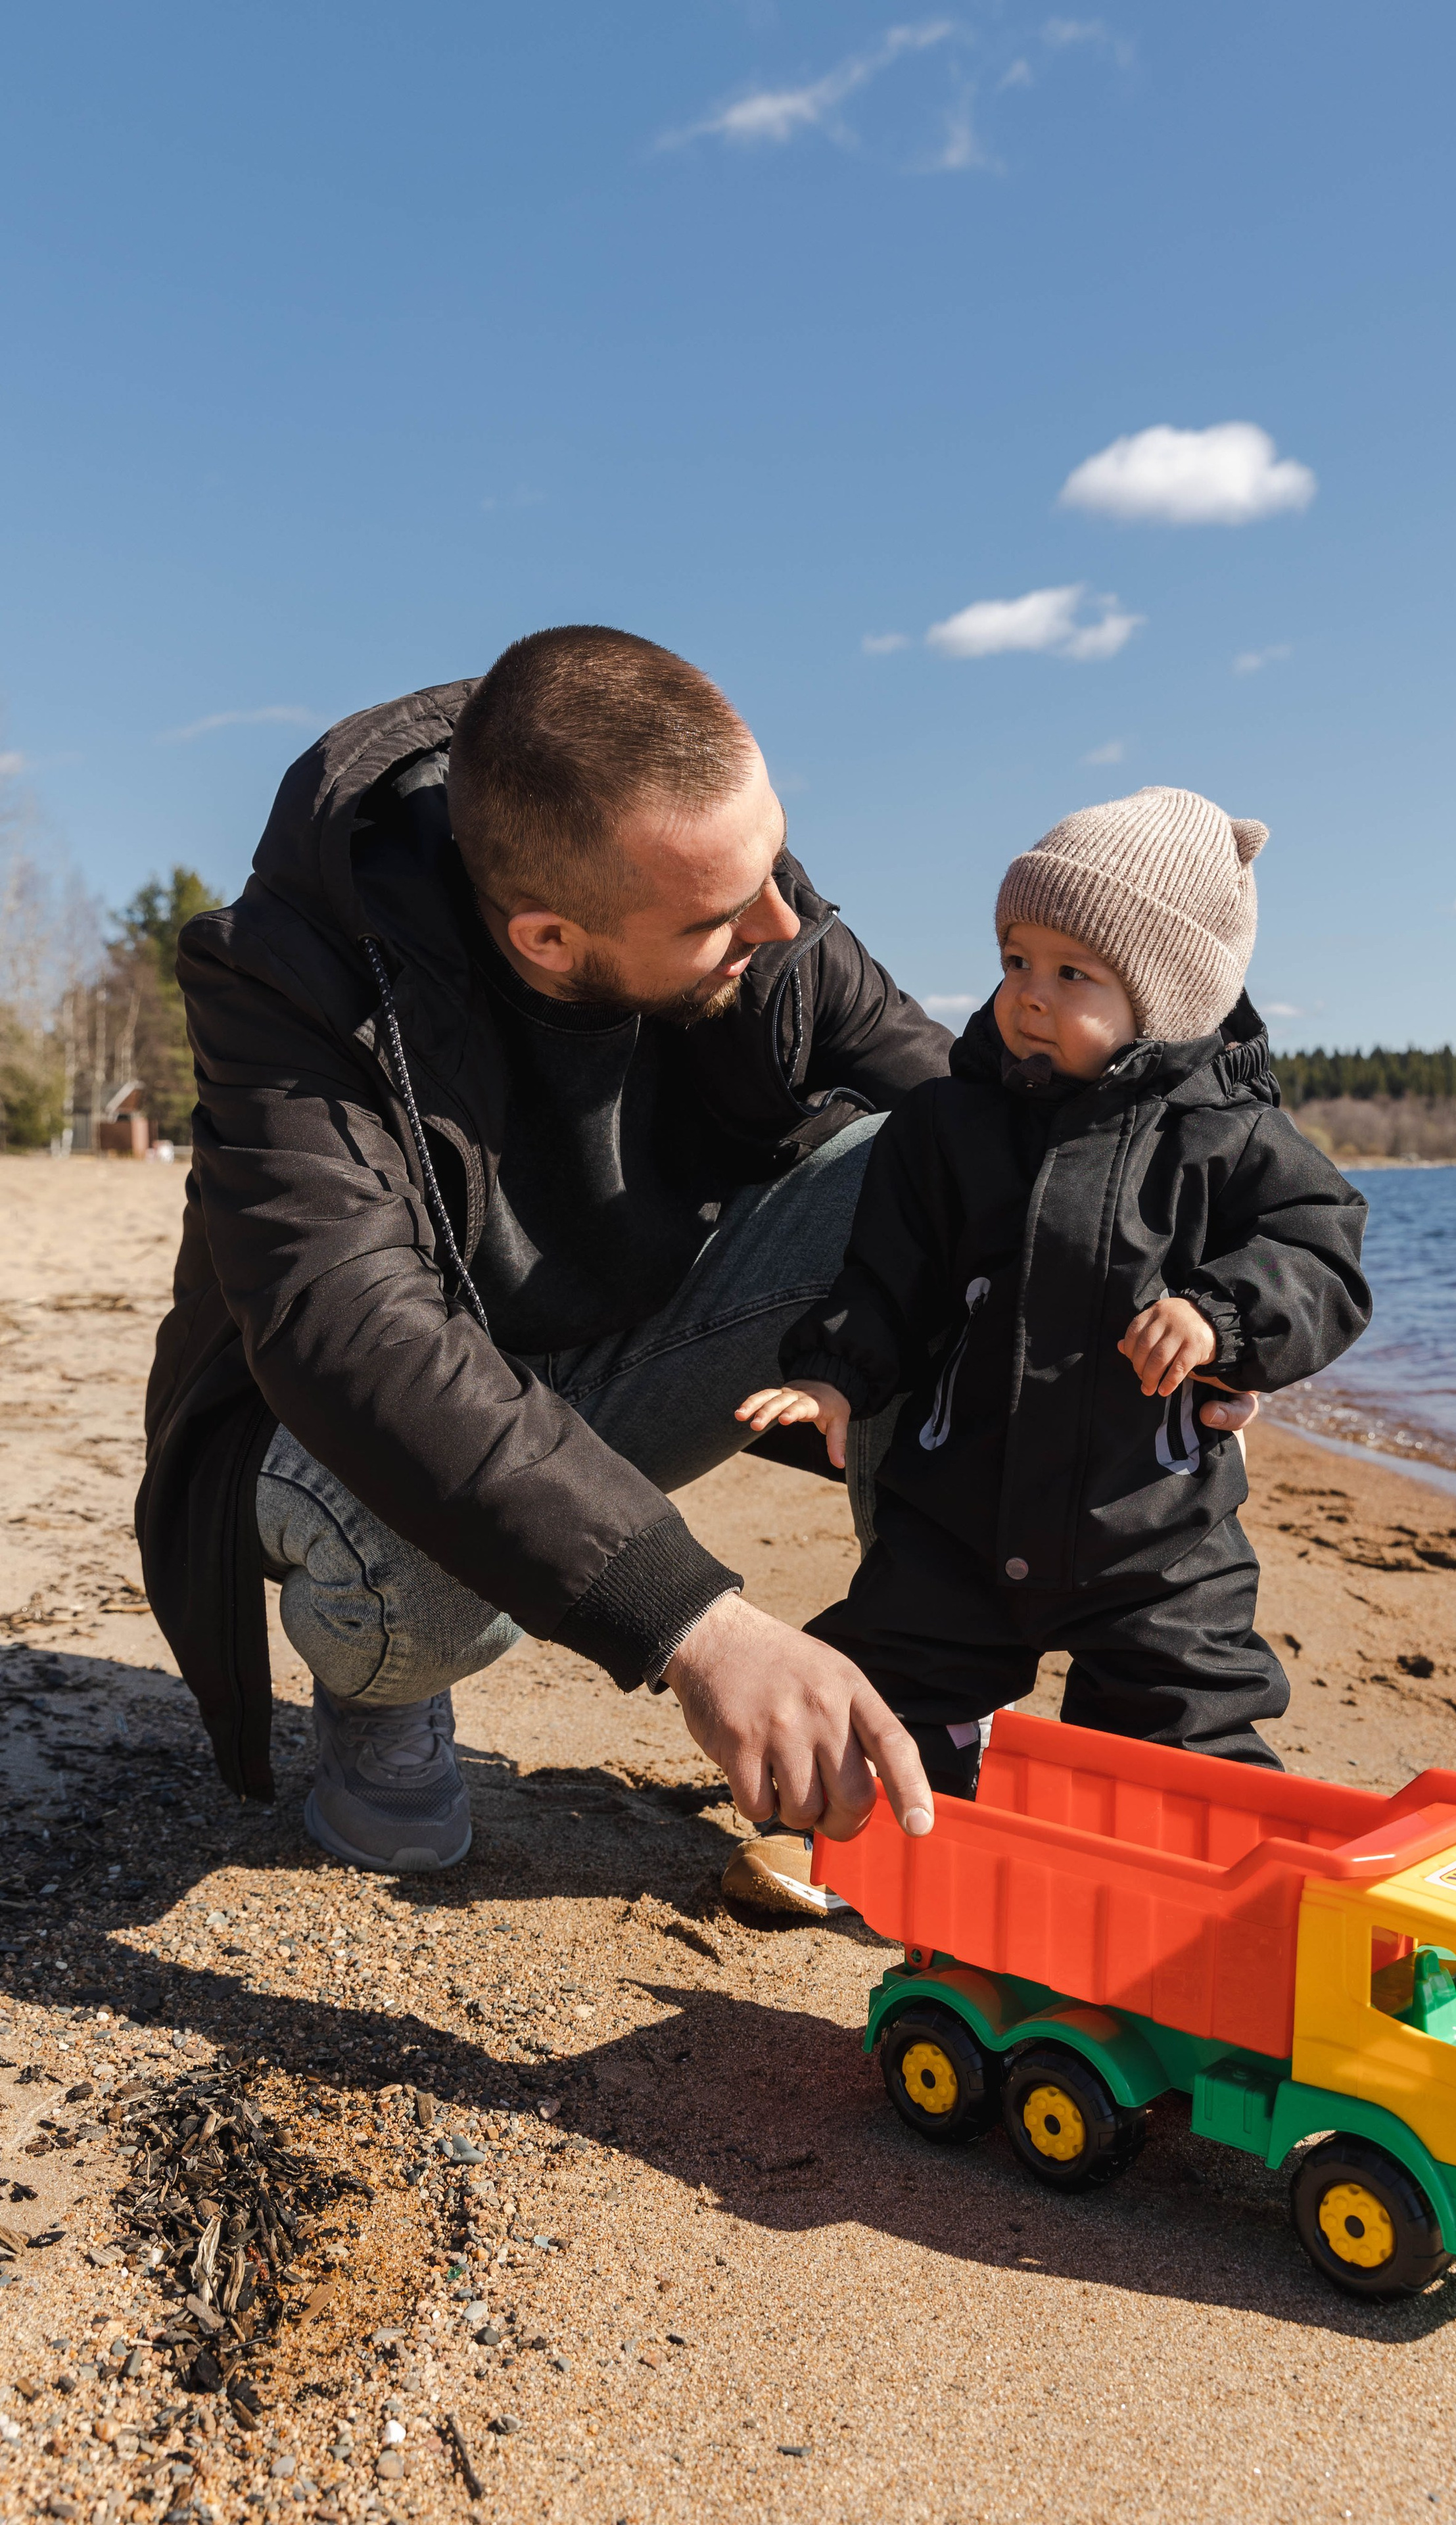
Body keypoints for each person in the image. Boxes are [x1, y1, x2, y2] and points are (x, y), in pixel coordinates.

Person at [138, 626, 962, 1882]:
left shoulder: (734, 881)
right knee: (403, 1558)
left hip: (625, 1348)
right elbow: (354, 1337)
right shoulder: (295, 976)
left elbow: (972, 1122)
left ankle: (906, 1710)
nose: (783, 920)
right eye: (722, 916)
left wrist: (1178, 1297)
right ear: (548, 939)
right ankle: (381, 1686)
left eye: (775, 865)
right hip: (339, 1424)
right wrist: (698, 1624)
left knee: (965, 1206)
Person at [736, 786, 1369, 1807]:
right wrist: (835, 1375)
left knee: (1183, 1718)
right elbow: (888, 1276)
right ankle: (860, 1833)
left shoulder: (1228, 1136)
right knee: (887, 1674)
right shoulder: (947, 1125)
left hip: (1154, 1523)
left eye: (1074, 973)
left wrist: (1224, 1313)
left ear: (1163, 1000)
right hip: (962, 1507)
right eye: (1016, 962)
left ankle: (1193, 1872)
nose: (1030, 994)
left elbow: (1323, 1257)